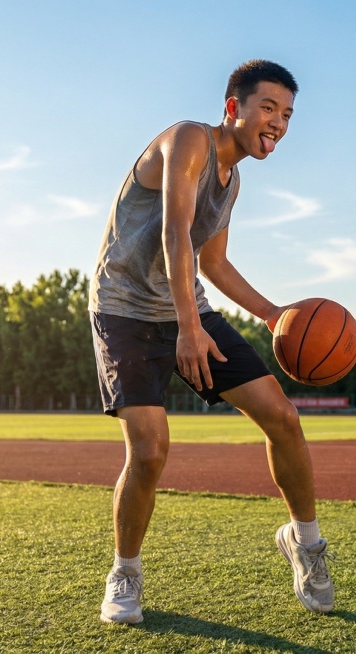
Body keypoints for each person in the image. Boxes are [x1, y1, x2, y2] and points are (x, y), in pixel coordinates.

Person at [89, 59, 334, 625]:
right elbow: (176, 230)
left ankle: (306, 542)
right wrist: (189, 327)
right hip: (125, 311)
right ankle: (125, 572)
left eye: (287, 115)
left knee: (283, 417)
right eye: (268, 108)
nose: (278, 123)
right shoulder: (189, 140)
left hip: (185, 308)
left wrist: (271, 314)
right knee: (149, 450)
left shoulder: (233, 180)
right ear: (233, 108)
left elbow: (214, 262)